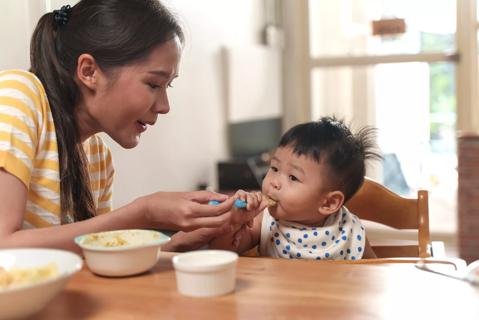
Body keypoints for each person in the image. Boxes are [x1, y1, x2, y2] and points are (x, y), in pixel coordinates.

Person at [0, 0, 259, 253]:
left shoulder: (98, 158)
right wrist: (142, 214)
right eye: (154, 84)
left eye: (167, 86)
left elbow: (95, 255)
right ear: (89, 71)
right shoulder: (17, 96)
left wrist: (178, 243)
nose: (164, 106)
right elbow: (3, 245)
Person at [209, 116, 380, 260]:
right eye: (274, 168)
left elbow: (374, 272)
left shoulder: (351, 232)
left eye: (293, 177)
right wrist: (234, 222)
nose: (274, 182)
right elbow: (222, 254)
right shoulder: (264, 221)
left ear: (328, 203)